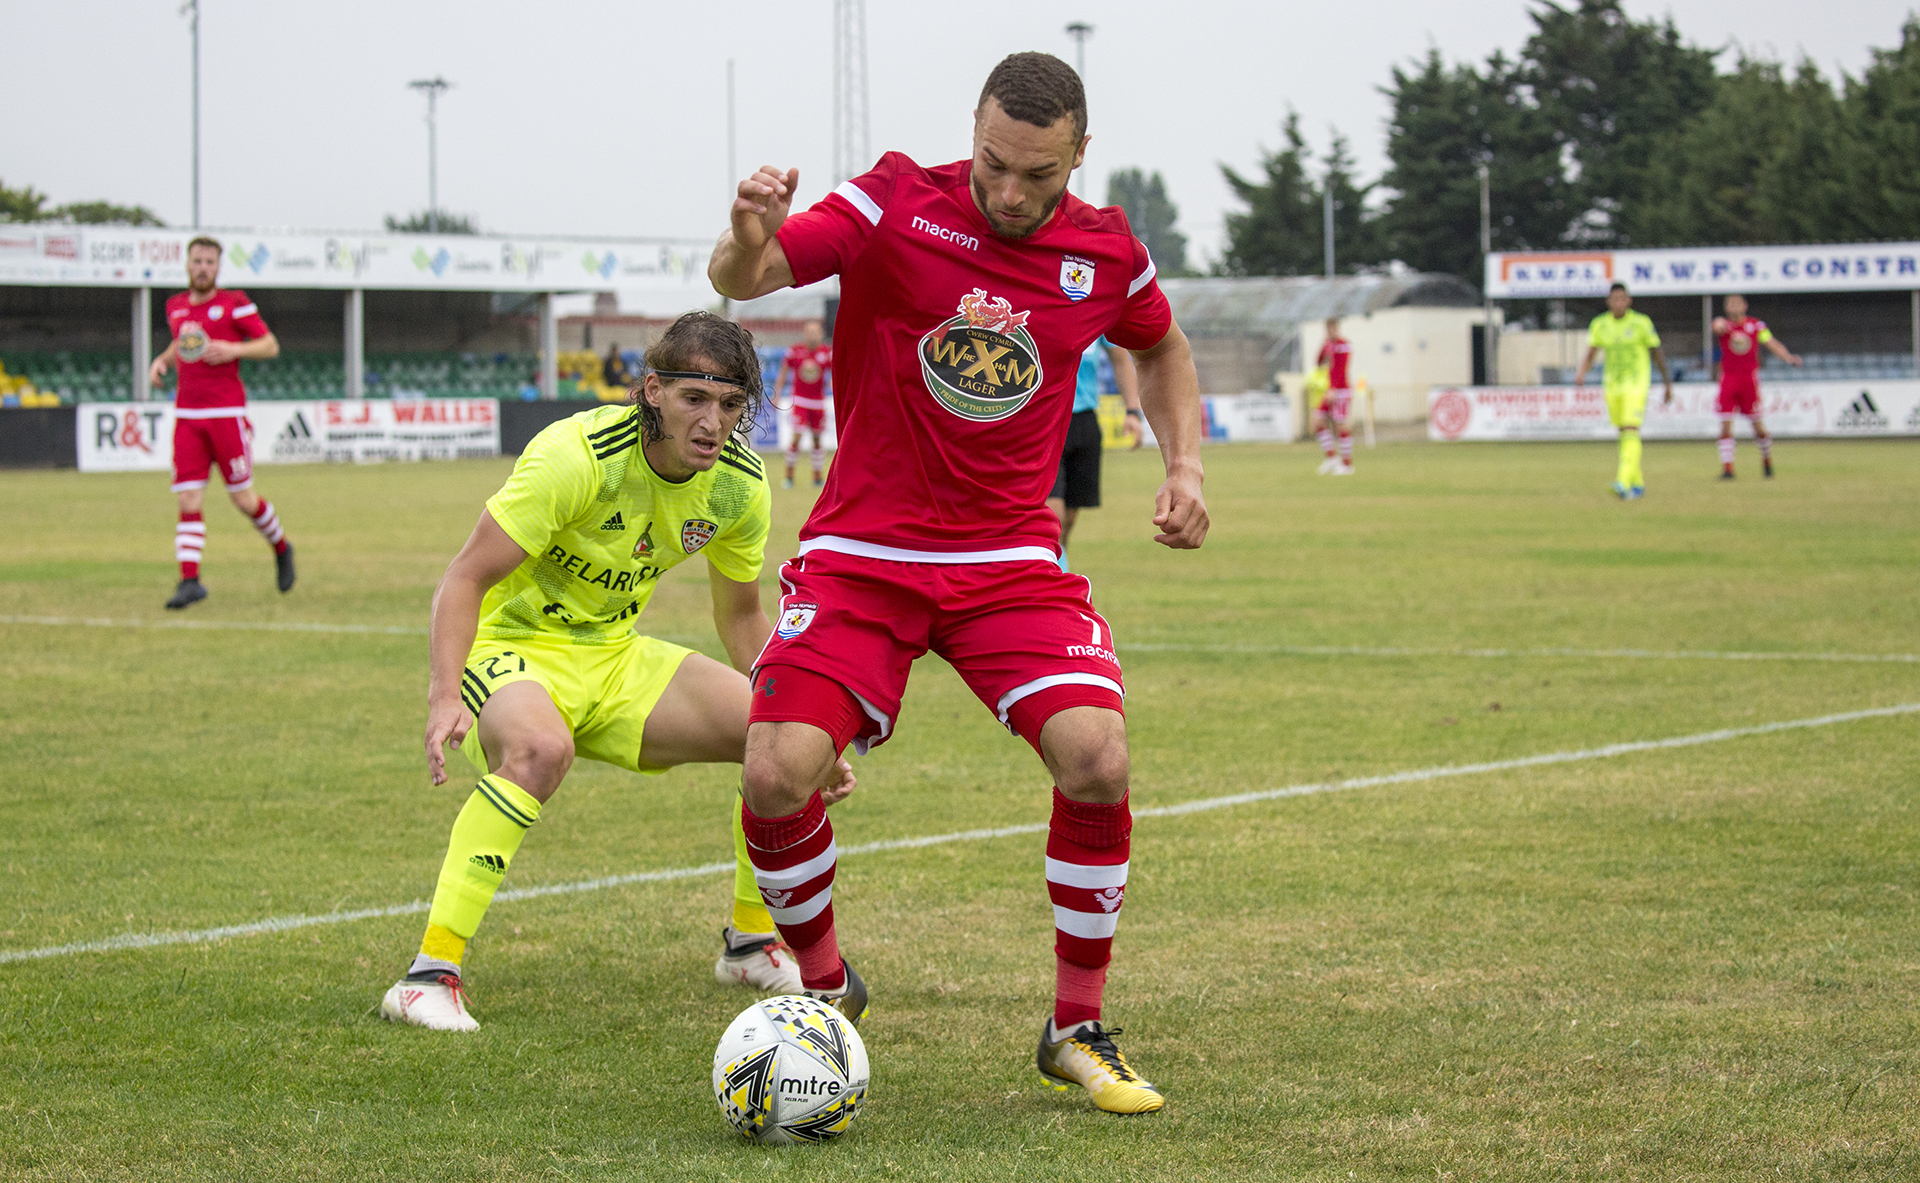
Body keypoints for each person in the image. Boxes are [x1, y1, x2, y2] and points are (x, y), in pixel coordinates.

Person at [710, 50, 1209, 1115]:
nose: (1012, 192)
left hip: (1008, 567)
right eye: (995, 164)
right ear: (971, 133)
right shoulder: (894, 198)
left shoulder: (1108, 249)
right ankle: (828, 990)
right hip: (864, 555)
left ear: (1080, 156)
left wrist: (1187, 465)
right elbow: (746, 279)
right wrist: (749, 236)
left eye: (1040, 174)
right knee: (774, 772)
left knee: (1097, 755)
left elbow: (1161, 350)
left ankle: (1076, 1025)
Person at [382, 311, 855, 1032]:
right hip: (512, 647)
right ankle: (427, 976)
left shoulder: (737, 485)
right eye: (695, 399)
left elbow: (741, 620)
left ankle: (751, 942)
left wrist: (807, 720)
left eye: (730, 406)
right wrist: (446, 692)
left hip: (615, 654)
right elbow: (466, 576)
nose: (712, 422)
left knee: (777, 741)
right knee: (541, 748)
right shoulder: (578, 454)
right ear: (653, 390)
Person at [146, 236, 296, 609]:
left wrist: (234, 349)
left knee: (243, 499)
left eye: (209, 262)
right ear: (187, 265)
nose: (203, 268)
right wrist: (162, 361)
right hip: (188, 417)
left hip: (226, 415)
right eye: (197, 261)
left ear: (218, 267)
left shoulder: (235, 304)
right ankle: (190, 580)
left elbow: (270, 344)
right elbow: (182, 342)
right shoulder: (176, 307)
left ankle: (281, 546)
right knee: (188, 497)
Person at [1574, 282, 1672, 500]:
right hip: (1612, 385)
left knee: (1630, 429)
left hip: (1636, 384)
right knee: (1624, 434)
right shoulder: (1600, 324)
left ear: (1629, 301)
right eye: (1614, 299)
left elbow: (1656, 352)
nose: (1618, 303)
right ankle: (1637, 484)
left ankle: (1622, 481)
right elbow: (1592, 352)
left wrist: (1667, 383)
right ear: (1609, 302)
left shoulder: (1641, 323)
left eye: (1622, 298)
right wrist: (1581, 373)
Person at [1048, 335, 1142, 560]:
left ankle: (1056, 572)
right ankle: (1052, 584)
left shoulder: (1095, 309)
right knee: (1053, 519)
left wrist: (1132, 411)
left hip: (1085, 421)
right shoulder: (1041, 307)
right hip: (1045, 422)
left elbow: (1121, 360)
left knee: (1068, 520)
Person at [1711, 294, 1800, 479]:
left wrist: (1788, 357)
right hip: (1728, 378)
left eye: (1737, 303)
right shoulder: (1725, 326)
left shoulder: (1756, 326)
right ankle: (1728, 469)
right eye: (1730, 304)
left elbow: (1771, 343)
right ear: (1726, 307)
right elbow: (1717, 327)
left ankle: (1767, 460)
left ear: (1745, 305)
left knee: (1757, 426)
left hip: (1748, 380)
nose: (1734, 307)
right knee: (1726, 424)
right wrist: (1718, 324)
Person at [774, 318, 833, 489]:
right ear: (805, 333)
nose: (813, 335)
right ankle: (789, 477)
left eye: (816, 332)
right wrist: (777, 393)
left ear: (821, 334)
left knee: (817, 440)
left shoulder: (826, 352)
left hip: (818, 402)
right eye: (810, 332)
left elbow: (834, 373)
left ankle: (817, 477)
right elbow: (783, 373)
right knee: (797, 436)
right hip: (799, 400)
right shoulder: (795, 351)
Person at [1311, 318, 1355, 475]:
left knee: (1340, 425)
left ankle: (1347, 464)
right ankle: (1331, 458)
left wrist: (1334, 388)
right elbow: (1318, 362)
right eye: (1328, 330)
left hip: (1341, 390)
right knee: (1317, 420)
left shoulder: (1344, 345)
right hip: (1331, 389)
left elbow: (1342, 368)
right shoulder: (1329, 344)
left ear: (1337, 329)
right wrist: (1323, 346)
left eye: (1333, 329)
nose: (1330, 332)